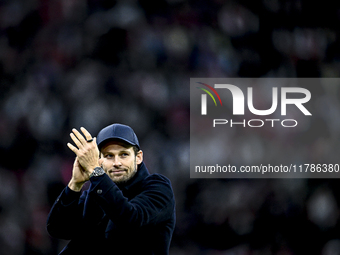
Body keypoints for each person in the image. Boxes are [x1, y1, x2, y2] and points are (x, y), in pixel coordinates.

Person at [46, 123, 176, 255]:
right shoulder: (95, 193)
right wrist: (75, 185)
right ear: (99, 160)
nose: (117, 163)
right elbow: (58, 230)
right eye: (109, 156)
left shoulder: (157, 187)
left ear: (138, 157)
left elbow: (130, 219)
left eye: (124, 154)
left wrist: (95, 172)